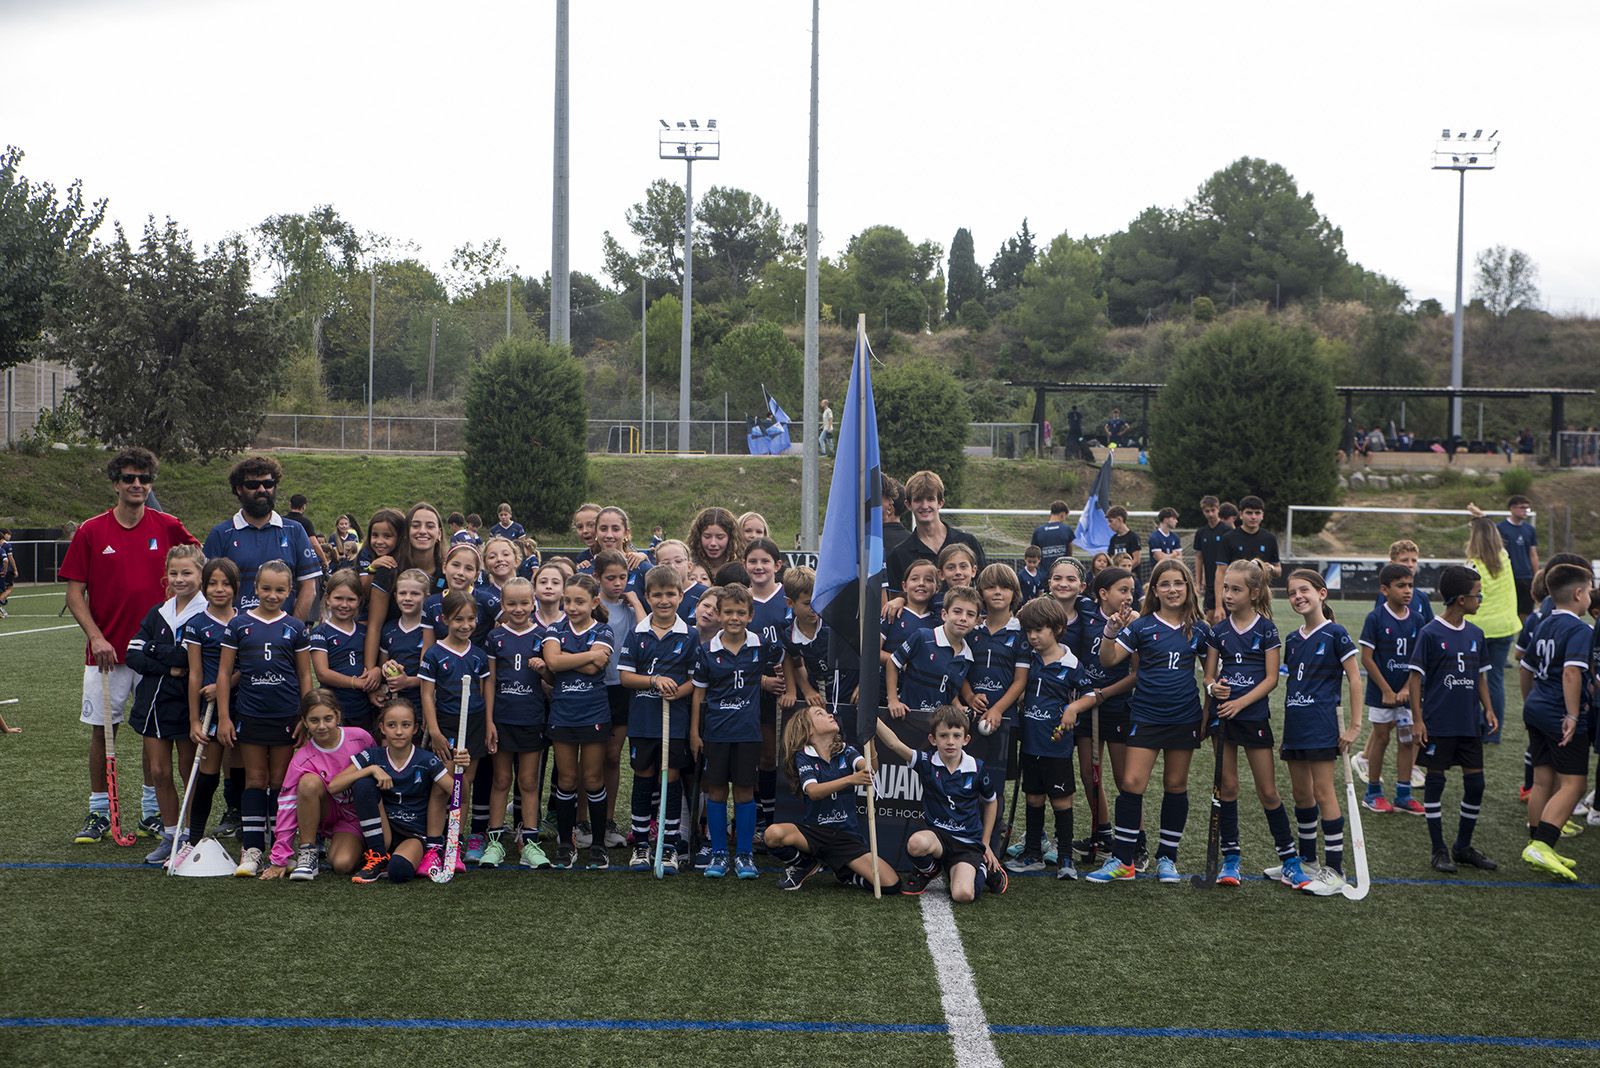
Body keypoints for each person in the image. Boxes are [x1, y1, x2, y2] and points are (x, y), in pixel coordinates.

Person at [62, 447, 199, 845]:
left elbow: (200, 567)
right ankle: (98, 811)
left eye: (144, 478)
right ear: (116, 484)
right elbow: (74, 593)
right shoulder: (91, 530)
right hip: (106, 654)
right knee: (102, 732)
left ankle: (151, 812)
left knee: (152, 732)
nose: (137, 485)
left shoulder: (169, 525)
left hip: (154, 657)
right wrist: (96, 636)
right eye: (128, 478)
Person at [1088, 559, 1208, 886]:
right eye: (1165, 584)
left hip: (1184, 716)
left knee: (1175, 785)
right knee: (1131, 783)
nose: (1172, 589)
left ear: (1188, 587)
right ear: (1155, 590)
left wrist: (1208, 715)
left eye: (1178, 583)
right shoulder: (1141, 626)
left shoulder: (1200, 629)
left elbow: (1211, 676)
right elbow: (1109, 659)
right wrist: (1110, 631)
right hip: (1146, 715)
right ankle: (1123, 860)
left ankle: (1167, 858)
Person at [216, 559, 314, 876]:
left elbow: (305, 675)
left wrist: (306, 716)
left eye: (280, 590)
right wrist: (224, 717)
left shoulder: (296, 627)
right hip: (251, 714)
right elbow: (224, 673)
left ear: (290, 591)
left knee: (280, 782)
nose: (273, 595)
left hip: (286, 715)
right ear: (256, 588)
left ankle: (280, 849)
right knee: (255, 780)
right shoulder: (239, 625)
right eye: (267, 588)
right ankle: (253, 848)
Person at [1202, 559, 1295, 887]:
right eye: (1226, 588)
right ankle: (1231, 859)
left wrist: (1240, 702)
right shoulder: (1218, 631)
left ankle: (1289, 859)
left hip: (1252, 716)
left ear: (1254, 593)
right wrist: (1214, 689)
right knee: (1227, 788)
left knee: (1268, 791)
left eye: (1236, 590)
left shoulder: (1267, 629)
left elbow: (1272, 679)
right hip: (1223, 719)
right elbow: (1208, 676)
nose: (1228, 595)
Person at [1276, 569, 1362, 896]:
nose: (1298, 596)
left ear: (1321, 594)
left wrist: (1354, 726)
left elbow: (1355, 679)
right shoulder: (1292, 639)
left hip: (1322, 725)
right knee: (1301, 794)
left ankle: (1335, 870)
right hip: (1295, 725)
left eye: (1304, 590)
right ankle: (1308, 861)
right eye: (1292, 592)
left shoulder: (1335, 633)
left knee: (1324, 792)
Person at [1409, 564, 1498, 874]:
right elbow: (1415, 678)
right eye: (1478, 595)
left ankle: (1462, 846)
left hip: (1468, 723)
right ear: (1461, 599)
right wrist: (1418, 719)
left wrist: (1488, 709)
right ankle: (1438, 849)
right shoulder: (1430, 633)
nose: (1480, 600)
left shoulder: (1476, 634)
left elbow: (1481, 677)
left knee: (1476, 783)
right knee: (1435, 783)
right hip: (1438, 724)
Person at [690, 583, 782, 880]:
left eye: (741, 613)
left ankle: (744, 854)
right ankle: (719, 852)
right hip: (716, 733)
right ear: (718, 614)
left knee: (744, 792)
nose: (734, 618)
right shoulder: (707, 651)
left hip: (747, 733)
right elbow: (699, 694)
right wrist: (694, 732)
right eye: (728, 612)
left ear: (750, 615)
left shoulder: (761, 646)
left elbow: (788, 661)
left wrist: (788, 688)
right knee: (716, 791)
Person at [125, 544, 208, 865]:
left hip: (187, 703)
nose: (179, 579)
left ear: (201, 574)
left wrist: (155, 650)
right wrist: (167, 664)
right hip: (152, 703)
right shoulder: (158, 611)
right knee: (159, 771)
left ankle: (190, 834)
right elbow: (133, 654)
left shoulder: (205, 613)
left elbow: (186, 658)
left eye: (187, 572)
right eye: (173, 573)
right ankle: (170, 834)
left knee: (189, 770)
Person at [873, 706, 1008, 901]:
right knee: (916, 843)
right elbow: (894, 744)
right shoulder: (926, 762)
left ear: (966, 739)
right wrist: (870, 715)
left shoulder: (976, 768)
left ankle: (984, 869)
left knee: (963, 895)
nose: (950, 741)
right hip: (939, 838)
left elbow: (991, 802)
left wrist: (985, 842)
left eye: (956, 736)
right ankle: (930, 870)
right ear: (933, 739)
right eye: (943, 736)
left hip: (967, 844)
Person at [1008, 596, 1098, 880]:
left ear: (1057, 628)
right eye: (1029, 631)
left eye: (1039, 630)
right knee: (1034, 798)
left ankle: (1065, 858)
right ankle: (1033, 853)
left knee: (1061, 800)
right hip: (1030, 743)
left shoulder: (1071, 663)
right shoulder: (1028, 659)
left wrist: (1073, 708)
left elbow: (1091, 695)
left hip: (1056, 748)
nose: (1033, 636)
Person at [617, 565, 698, 874]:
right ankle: (641, 844)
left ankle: (669, 846)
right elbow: (625, 677)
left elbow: (695, 680)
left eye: (671, 594)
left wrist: (678, 692)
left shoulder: (689, 635)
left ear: (680, 596)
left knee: (670, 778)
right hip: (643, 721)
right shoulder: (637, 633)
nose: (664, 600)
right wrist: (654, 680)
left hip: (674, 722)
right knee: (643, 776)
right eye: (658, 595)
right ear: (647, 597)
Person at [766, 705, 898, 892]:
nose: (829, 715)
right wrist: (850, 779)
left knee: (890, 884)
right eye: (820, 714)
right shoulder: (804, 755)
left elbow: (870, 769)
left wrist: (871, 742)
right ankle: (805, 864)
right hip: (815, 833)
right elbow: (813, 791)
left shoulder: (846, 751)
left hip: (846, 837)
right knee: (773, 834)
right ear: (808, 730)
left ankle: (847, 875)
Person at [1517, 563, 1594, 880]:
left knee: (1542, 779)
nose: (1590, 596)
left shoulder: (1543, 622)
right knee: (1575, 784)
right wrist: (1573, 714)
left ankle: (1537, 843)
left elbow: (1525, 667)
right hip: (1560, 714)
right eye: (1589, 591)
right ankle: (1543, 845)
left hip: (1536, 708)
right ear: (1578, 594)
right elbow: (1572, 672)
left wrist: (1530, 703)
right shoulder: (1580, 630)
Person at [337, 700, 457, 885]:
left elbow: (457, 794)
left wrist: (460, 769)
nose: (399, 731)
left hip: (412, 834)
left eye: (405, 725)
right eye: (392, 725)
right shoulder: (373, 755)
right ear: (382, 728)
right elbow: (334, 785)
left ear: (415, 728)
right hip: (383, 830)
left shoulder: (427, 760)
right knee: (362, 783)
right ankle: (377, 855)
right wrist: (371, 769)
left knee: (399, 871)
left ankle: (403, 857)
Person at [259, 690, 373, 881]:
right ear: (304, 722)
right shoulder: (301, 759)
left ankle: (365, 845)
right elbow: (287, 807)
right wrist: (279, 858)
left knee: (342, 863)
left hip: (361, 813)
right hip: (330, 817)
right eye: (314, 720)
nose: (321, 726)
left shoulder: (360, 738)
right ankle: (308, 853)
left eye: (328, 718)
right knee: (308, 783)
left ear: (338, 716)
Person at [542, 573, 615, 870]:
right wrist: (585, 657)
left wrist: (565, 658)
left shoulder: (604, 629)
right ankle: (565, 844)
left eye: (580, 602)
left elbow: (596, 666)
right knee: (567, 779)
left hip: (594, 712)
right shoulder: (555, 628)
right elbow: (553, 663)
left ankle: (598, 845)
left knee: (593, 779)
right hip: (563, 713)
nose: (572, 607)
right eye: (568, 601)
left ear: (594, 602)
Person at [419, 589, 491, 877]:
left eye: (471, 619)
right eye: (459, 619)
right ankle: (433, 846)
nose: (465, 625)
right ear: (445, 619)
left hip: (473, 725)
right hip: (446, 725)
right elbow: (427, 694)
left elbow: (484, 694)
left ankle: (454, 845)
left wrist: (488, 725)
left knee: (464, 784)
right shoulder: (434, 653)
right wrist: (434, 731)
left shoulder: (479, 655)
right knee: (443, 786)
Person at [1070, 567, 1139, 864]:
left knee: (1126, 778)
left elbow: (1136, 674)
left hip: (1118, 705)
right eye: (1123, 590)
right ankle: (1104, 834)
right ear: (1102, 593)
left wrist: (1105, 693)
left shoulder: (1134, 623)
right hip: (1087, 703)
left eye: (1131, 590)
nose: (1129, 596)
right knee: (1089, 773)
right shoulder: (1086, 612)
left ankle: (1136, 842)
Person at [482, 576, 551, 870]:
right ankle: (495, 842)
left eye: (524, 602)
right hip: (502, 719)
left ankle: (530, 843)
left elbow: (553, 680)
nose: (519, 608)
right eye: (512, 603)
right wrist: (489, 721)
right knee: (501, 780)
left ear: (533, 603)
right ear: (502, 604)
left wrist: (545, 669)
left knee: (528, 781)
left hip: (532, 719)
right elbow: (490, 681)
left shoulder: (544, 635)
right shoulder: (495, 637)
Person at [201, 456, 321, 620]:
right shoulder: (221, 534)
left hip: (282, 633)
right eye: (253, 485)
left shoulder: (295, 531)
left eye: (268, 484)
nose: (262, 490)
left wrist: (291, 629)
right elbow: (205, 588)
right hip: (234, 633)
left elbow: (309, 587)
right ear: (238, 489)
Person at [1357, 563, 1426, 816]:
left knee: (1407, 740)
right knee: (1382, 738)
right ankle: (1373, 793)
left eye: (1410, 585)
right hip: (1380, 693)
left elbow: (1419, 661)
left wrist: (1407, 688)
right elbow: (1367, 658)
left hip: (1409, 694)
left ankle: (1403, 795)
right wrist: (1386, 690)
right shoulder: (1375, 618)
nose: (1407, 591)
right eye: (1401, 586)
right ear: (1385, 590)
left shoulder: (1417, 619)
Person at [182, 557, 241, 842]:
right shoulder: (196, 625)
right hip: (210, 711)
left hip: (243, 704)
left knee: (242, 772)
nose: (219, 589)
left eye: (226, 584)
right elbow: (194, 674)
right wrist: (194, 720)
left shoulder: (245, 621)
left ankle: (247, 838)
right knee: (207, 775)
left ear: (236, 587)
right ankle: (193, 839)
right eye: (213, 583)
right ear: (204, 587)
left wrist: (224, 685)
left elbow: (249, 665)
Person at [883, 471, 986, 598]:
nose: (925, 506)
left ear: (940, 502)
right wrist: (899, 600)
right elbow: (896, 598)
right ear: (908, 504)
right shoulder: (899, 554)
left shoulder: (968, 542)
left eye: (930, 499)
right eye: (918, 500)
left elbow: (985, 587)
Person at [886, 586, 979, 719]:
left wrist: (959, 707)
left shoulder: (967, 657)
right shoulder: (923, 637)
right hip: (908, 718)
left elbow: (947, 688)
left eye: (970, 614)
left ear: (976, 621)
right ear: (944, 615)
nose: (963, 618)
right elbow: (893, 662)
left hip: (939, 724)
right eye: (957, 611)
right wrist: (893, 700)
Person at [1464, 516, 1518, 744]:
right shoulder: (1504, 558)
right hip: (1505, 626)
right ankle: (1493, 732)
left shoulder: (1473, 565)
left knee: (1471, 679)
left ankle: (1474, 727)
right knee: (1496, 680)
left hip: (1479, 629)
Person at [309, 570, 379, 736]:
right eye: (338, 598)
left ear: (359, 601)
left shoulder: (365, 632)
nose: (344, 605)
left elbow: (374, 663)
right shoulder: (321, 632)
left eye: (351, 599)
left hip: (363, 708)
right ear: (328, 599)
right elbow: (322, 674)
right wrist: (356, 683)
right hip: (334, 709)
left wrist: (377, 671)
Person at [966, 565, 1030, 738]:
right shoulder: (971, 631)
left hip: (1006, 718)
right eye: (990, 587)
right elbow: (960, 671)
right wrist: (970, 697)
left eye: (1005, 587)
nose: (997, 592)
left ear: (1015, 593)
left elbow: (1020, 680)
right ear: (980, 593)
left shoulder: (1021, 633)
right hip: (970, 716)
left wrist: (997, 709)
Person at [1212, 495, 1280, 624]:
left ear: (1262, 515)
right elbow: (1220, 572)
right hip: (1236, 599)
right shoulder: (1229, 538)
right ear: (1241, 514)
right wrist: (1219, 606)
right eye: (1249, 513)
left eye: (1257, 513)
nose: (1253, 517)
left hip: (1261, 600)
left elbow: (1278, 570)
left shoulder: (1269, 538)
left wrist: (1271, 568)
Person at [779, 566, 831, 715]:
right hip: (819, 688)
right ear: (790, 603)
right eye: (808, 603)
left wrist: (862, 685)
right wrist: (805, 690)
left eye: (817, 600)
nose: (814, 607)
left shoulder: (832, 625)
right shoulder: (789, 634)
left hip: (848, 686)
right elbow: (793, 660)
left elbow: (860, 653)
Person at [1496, 495, 1540, 618]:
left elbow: (1533, 554)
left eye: (1527, 508)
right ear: (1512, 508)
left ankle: (1524, 631)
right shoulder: (1500, 528)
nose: (1525, 511)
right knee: (1509, 610)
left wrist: (1536, 575)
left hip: (1526, 577)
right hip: (1508, 576)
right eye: (1522, 507)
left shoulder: (1529, 529)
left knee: (1526, 611)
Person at [1191, 495, 1227, 616]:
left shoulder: (1227, 531)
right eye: (1207, 511)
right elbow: (1199, 557)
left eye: (1213, 510)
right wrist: (1198, 582)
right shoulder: (1201, 532)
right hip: (1209, 583)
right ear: (1203, 512)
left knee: (1225, 616)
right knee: (1209, 616)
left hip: (1225, 582)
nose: (1211, 514)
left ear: (1218, 509)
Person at [687, 506, 743, 581]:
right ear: (698, 537)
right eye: (707, 536)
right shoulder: (688, 567)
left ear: (731, 538)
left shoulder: (742, 568)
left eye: (720, 537)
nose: (713, 543)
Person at [1030, 500, 1074, 570]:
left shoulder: (1038, 531)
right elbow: (1070, 552)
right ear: (1062, 514)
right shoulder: (1066, 529)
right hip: (1062, 572)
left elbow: (1033, 552)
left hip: (1043, 573)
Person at [1105, 507, 1141, 576]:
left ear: (1119, 519)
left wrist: (1124, 570)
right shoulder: (1113, 539)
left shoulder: (1133, 537)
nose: (1109, 525)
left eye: (1110, 521)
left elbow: (1136, 560)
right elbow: (1111, 559)